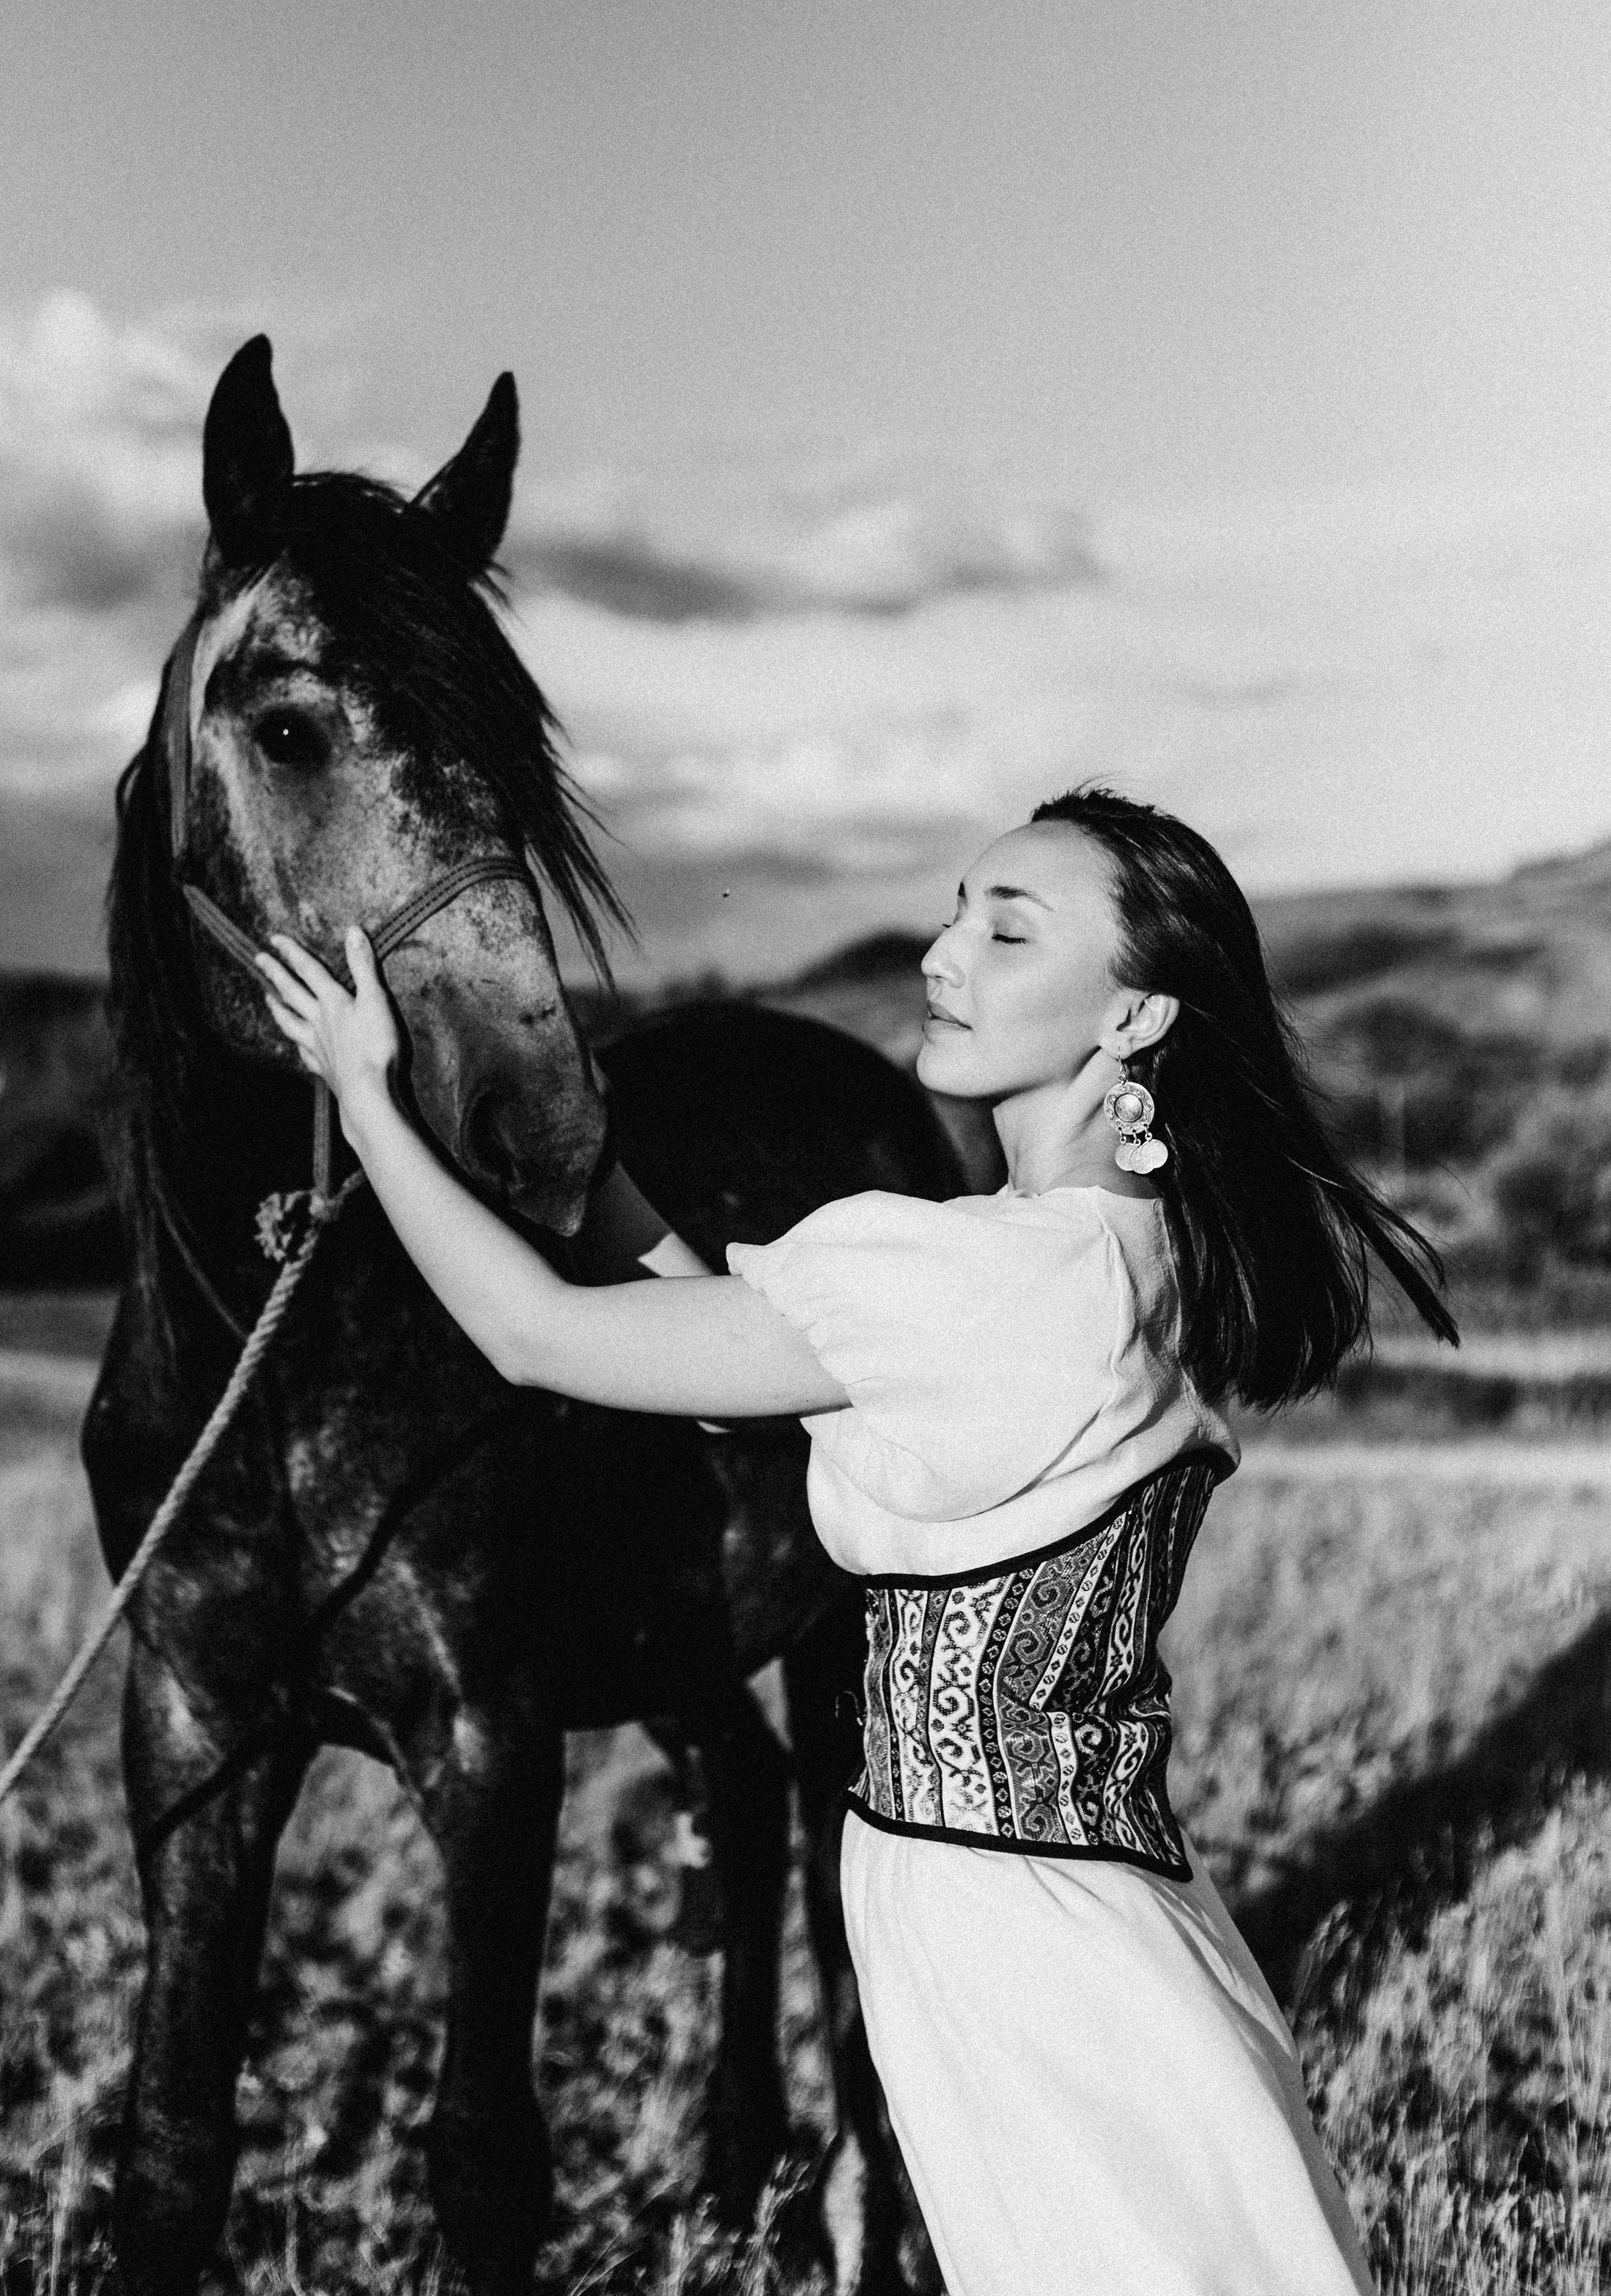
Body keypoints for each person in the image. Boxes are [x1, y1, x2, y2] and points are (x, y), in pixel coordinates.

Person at [255, 784, 1454, 2295]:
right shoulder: (1127, 1258)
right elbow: (756, 1375)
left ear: (1137, 1018)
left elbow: (534, 1335)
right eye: (954, 909)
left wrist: (366, 1100)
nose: (943, 956)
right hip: (1082, 1916)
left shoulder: (978, 1276)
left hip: (1012, 1945)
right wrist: (606, 1171)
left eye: (1005, 927)